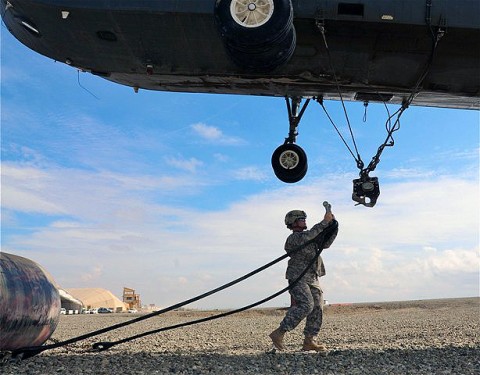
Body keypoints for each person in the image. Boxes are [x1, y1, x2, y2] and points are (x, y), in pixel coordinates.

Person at [269, 207, 338, 352]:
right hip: (298, 276)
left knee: (317, 307)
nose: (304, 221)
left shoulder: (311, 237)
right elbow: (310, 236)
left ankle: (309, 341)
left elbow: (325, 243)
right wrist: (324, 222)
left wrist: (333, 226)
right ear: (293, 222)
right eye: (301, 219)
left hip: (312, 277)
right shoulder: (294, 238)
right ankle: (279, 333)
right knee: (307, 305)